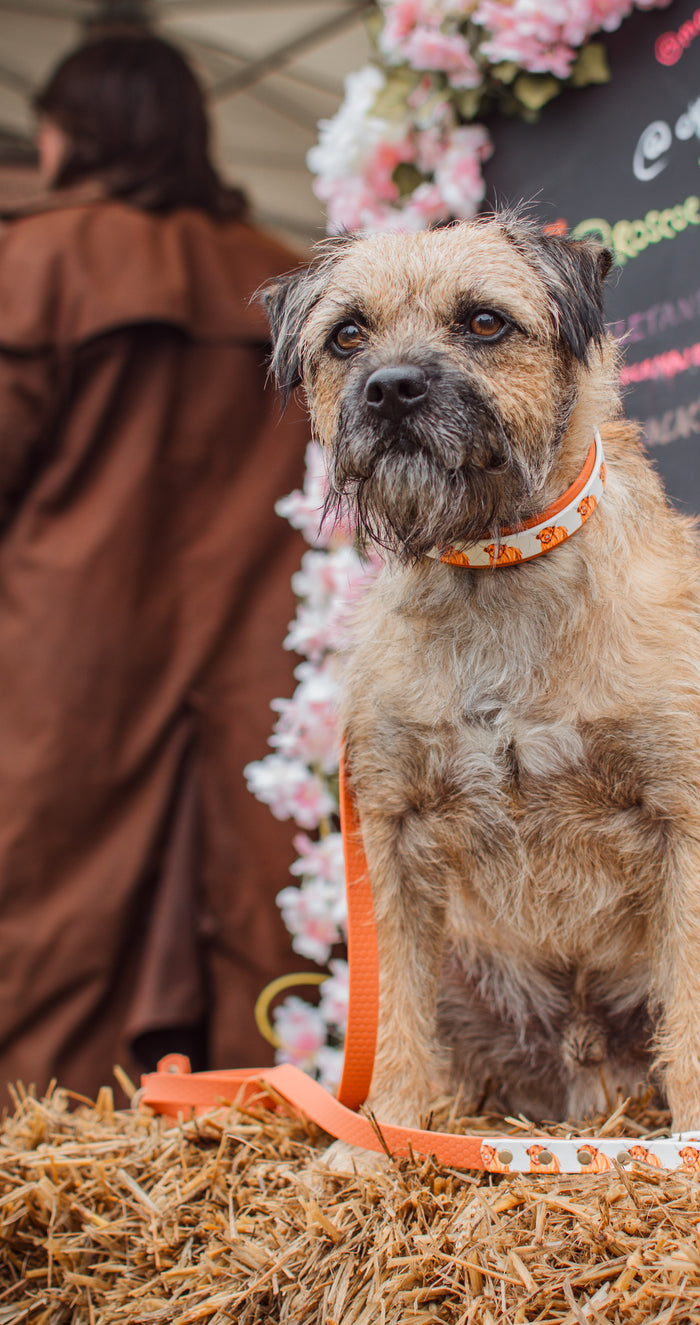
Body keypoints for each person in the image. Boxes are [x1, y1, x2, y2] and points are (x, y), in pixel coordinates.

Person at [0, 32, 313, 1097]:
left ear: (70, 134)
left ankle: (38, 1180)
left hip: (64, 654)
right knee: (258, 915)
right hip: (260, 651)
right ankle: (239, 1163)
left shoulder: (36, 260)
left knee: (48, 912)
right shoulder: (283, 280)